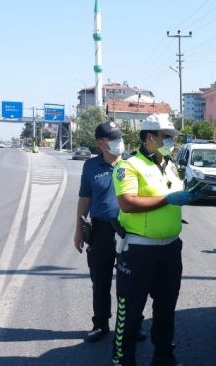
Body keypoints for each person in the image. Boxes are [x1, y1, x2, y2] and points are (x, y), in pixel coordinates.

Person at [111, 113, 198, 366]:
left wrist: (188, 196)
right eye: (166, 137)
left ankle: (163, 357)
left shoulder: (170, 165)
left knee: (166, 307)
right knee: (130, 310)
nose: (171, 142)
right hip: (139, 251)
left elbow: (173, 196)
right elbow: (127, 203)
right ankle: (122, 360)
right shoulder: (128, 166)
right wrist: (166, 200)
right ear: (150, 137)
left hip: (170, 249)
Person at [74, 120, 146, 343]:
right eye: (114, 139)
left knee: (132, 282)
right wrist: (78, 229)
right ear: (101, 143)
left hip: (129, 229)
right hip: (102, 230)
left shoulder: (133, 164)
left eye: (120, 138)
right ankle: (100, 324)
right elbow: (84, 199)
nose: (119, 142)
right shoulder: (91, 167)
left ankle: (133, 325)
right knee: (100, 279)